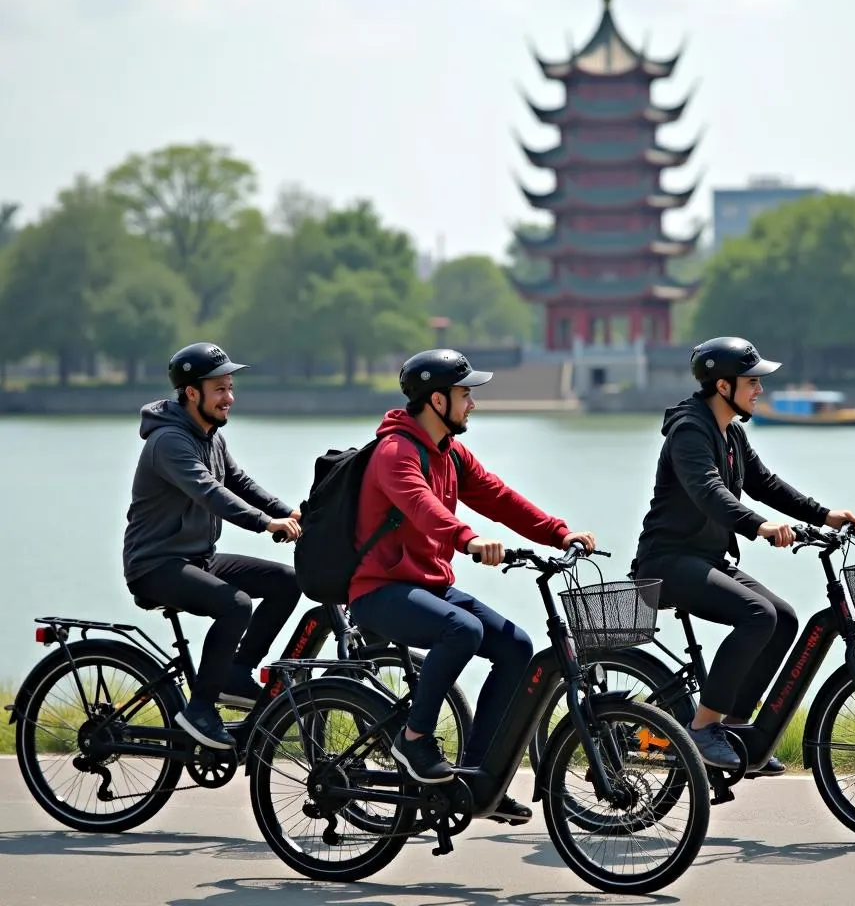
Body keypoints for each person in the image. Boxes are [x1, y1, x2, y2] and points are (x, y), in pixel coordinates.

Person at [347, 348, 597, 824]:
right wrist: (468, 538)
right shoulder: (395, 451)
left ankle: (481, 777)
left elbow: (499, 497)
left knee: (516, 646)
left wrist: (558, 532)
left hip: (428, 586)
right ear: (437, 400)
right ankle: (415, 739)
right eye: (466, 395)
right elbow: (421, 505)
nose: (473, 404)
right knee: (463, 630)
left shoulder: (450, 452)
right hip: (380, 591)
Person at [631, 336, 855, 773]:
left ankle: (735, 730)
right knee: (758, 614)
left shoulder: (731, 432)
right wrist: (758, 526)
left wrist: (823, 514)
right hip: (666, 564)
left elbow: (765, 483)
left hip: (707, 559)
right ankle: (703, 727)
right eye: (752, 381)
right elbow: (708, 491)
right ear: (722, 386)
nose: (760, 389)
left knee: (784, 618)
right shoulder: (690, 430)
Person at [122, 342, 303, 751]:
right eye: (220, 389)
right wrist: (265, 523)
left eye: (231, 388)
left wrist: (290, 512)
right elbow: (209, 492)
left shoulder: (210, 437)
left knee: (286, 582)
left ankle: (236, 673)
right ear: (191, 392)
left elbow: (239, 482)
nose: (230, 398)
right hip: (155, 564)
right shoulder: (169, 442)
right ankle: (200, 707)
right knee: (235, 603)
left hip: (197, 558)